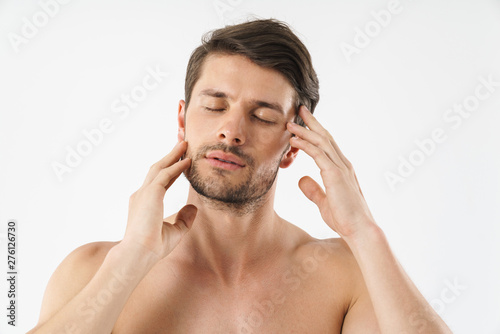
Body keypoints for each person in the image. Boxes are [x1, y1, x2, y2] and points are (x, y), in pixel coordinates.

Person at [29, 19, 451, 333]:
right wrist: (130, 258)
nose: (232, 130)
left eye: (263, 116)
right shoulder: (92, 273)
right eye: (215, 106)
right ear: (182, 120)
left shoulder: (345, 275)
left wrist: (363, 233)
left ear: (293, 147)